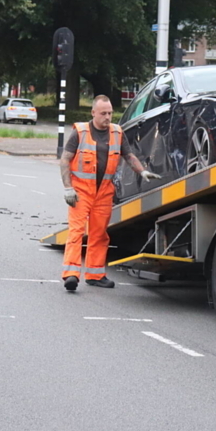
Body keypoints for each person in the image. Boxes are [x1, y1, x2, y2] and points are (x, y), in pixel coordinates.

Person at [60, 95, 160, 291]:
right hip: (81, 192)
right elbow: (65, 160)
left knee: (99, 234)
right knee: (76, 232)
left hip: (104, 192)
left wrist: (142, 171)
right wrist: (68, 188)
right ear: (93, 113)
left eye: (110, 113)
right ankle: (71, 275)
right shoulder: (80, 132)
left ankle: (95, 274)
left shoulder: (117, 132)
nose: (108, 117)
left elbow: (128, 155)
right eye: (103, 113)